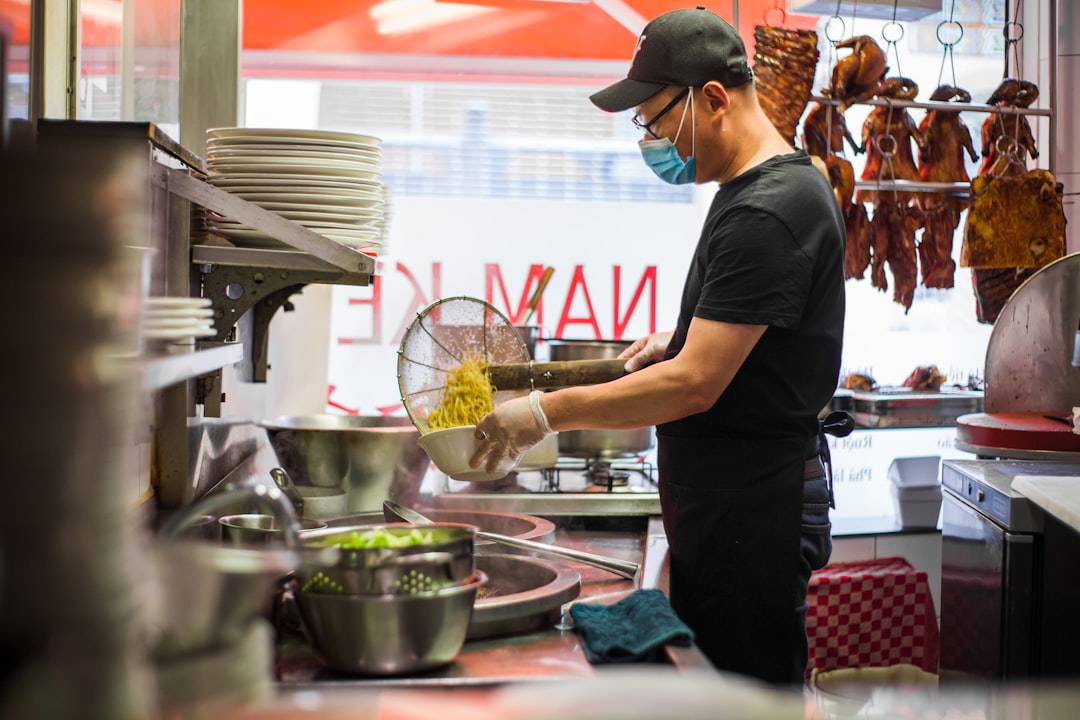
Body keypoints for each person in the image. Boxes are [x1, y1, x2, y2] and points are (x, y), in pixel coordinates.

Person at [470, 6, 845, 688]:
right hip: (734, 506)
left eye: (653, 118)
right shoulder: (753, 192)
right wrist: (686, 335)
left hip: (752, 516)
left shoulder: (770, 208)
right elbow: (748, 346)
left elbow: (694, 386)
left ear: (712, 99)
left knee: (747, 697)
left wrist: (543, 413)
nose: (649, 137)